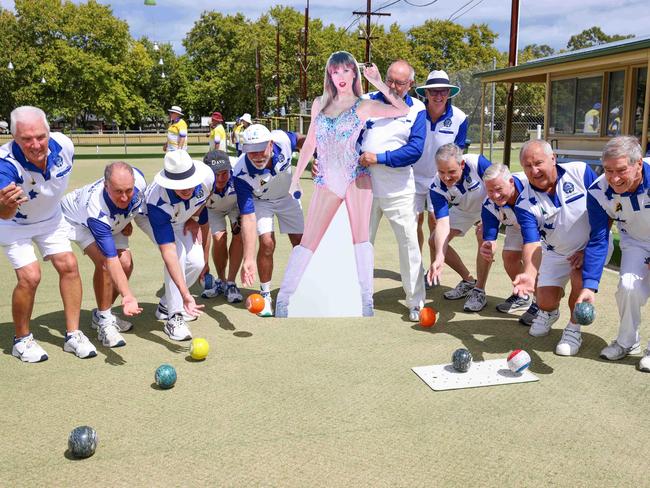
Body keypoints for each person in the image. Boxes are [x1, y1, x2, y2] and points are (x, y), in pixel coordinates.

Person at [275, 51, 410, 318]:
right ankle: (285, 298)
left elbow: (402, 109)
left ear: (354, 74)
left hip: (356, 177)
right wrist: (294, 178)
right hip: (327, 178)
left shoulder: (363, 105)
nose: (341, 76)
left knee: (361, 239)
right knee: (309, 240)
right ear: (329, 74)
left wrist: (379, 82)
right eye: (335, 71)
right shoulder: (319, 104)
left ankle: (365, 300)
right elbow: (310, 143)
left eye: (346, 70)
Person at [0, 106, 97, 362]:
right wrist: (6, 205)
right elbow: (4, 214)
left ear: (49, 131)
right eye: (26, 139)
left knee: (69, 265)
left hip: (51, 219)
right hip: (15, 224)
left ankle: (73, 335)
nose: (35, 144)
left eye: (40, 136)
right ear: (14, 138)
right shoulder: (4, 165)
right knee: (30, 276)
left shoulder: (65, 146)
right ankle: (21, 340)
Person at [512, 139, 607, 356]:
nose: (534, 170)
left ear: (553, 158)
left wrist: (588, 250)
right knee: (545, 301)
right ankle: (549, 313)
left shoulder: (581, 171)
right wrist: (528, 272)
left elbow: (605, 209)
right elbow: (532, 242)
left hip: (590, 245)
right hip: (555, 252)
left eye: (539, 163)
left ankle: (573, 329)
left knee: (579, 276)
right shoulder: (523, 203)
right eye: (528, 166)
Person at [358, 59, 426, 321]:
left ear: (410, 84)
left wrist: (379, 158)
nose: (394, 87)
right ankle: (361, 296)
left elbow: (415, 150)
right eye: (390, 80)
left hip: (399, 189)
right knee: (361, 243)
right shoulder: (364, 100)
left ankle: (415, 302)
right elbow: (349, 137)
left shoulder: (417, 109)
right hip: (363, 186)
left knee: (409, 244)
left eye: (400, 82)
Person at [577, 136, 650, 371]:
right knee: (628, 287)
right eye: (608, 170)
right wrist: (589, 286)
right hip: (635, 242)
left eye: (621, 170)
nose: (614, 178)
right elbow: (598, 239)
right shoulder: (598, 191)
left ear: (638, 164)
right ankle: (628, 341)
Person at [61, 162, 146, 347]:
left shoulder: (139, 181)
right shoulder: (96, 210)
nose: (124, 197)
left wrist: (126, 218)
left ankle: (100, 314)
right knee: (105, 264)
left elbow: (133, 204)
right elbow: (110, 260)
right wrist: (128, 295)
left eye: (128, 190)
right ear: (106, 186)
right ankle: (104, 322)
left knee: (126, 264)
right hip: (76, 221)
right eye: (118, 191)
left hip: (112, 220)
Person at [134, 150, 210, 340]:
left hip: (182, 217)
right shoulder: (157, 203)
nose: (186, 189)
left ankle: (165, 305)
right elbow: (169, 253)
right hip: (154, 219)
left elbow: (206, 197)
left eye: (189, 183)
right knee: (178, 253)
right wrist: (186, 295)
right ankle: (174, 317)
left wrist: (194, 216)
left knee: (197, 263)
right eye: (180, 185)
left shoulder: (207, 177)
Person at [233, 123, 306, 316]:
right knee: (266, 243)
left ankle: (302, 286)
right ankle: (265, 294)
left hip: (288, 196)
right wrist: (248, 259)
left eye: (261, 150)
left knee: (300, 243)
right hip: (262, 202)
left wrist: (316, 155)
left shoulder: (282, 140)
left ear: (271, 144)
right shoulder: (241, 174)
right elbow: (247, 217)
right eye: (251, 152)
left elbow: (300, 140)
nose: (257, 156)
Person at [413, 70, 468, 274]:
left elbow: (458, 152)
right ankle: (416, 269)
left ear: (448, 93)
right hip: (413, 176)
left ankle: (432, 266)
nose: (438, 96)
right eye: (433, 91)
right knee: (414, 221)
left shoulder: (460, 118)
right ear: (426, 94)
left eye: (443, 91)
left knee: (435, 222)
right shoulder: (415, 114)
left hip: (440, 179)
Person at [427, 143, 491, 312]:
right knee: (435, 241)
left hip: (488, 206)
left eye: (451, 172)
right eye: (441, 172)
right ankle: (469, 281)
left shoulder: (478, 163)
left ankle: (479, 291)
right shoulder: (436, 187)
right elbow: (442, 223)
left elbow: (498, 184)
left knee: (483, 237)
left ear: (461, 165)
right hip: (463, 210)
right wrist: (439, 256)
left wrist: (489, 217)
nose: (446, 177)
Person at [480, 163, 538, 323]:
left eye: (499, 189)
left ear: (511, 182)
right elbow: (490, 238)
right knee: (509, 257)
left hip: (542, 222)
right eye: (490, 190)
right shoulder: (488, 203)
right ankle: (524, 296)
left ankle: (542, 305)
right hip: (515, 222)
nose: (495, 195)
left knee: (534, 261)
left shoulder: (532, 185)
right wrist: (488, 246)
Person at [200, 149, 244, 303]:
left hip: (235, 207)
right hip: (212, 211)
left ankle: (231, 283)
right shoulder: (200, 182)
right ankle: (221, 280)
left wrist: (238, 219)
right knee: (219, 238)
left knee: (239, 235)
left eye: (224, 173)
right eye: (215, 174)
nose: (220, 179)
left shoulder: (239, 174)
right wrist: (203, 262)